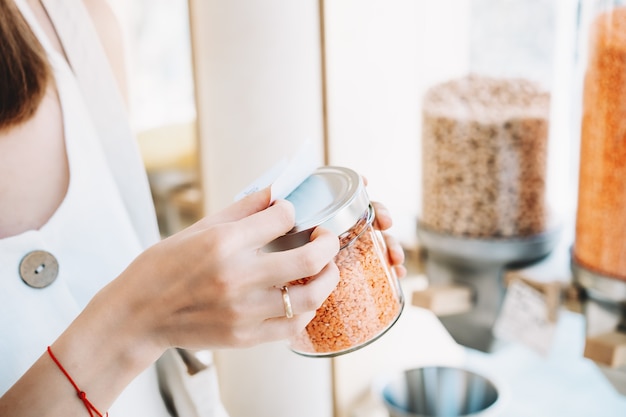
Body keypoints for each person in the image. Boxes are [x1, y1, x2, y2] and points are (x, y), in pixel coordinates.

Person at [0, 0, 407, 416]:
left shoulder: (77, 25)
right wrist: (142, 317)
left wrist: (221, 283)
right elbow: (140, 308)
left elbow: (119, 266)